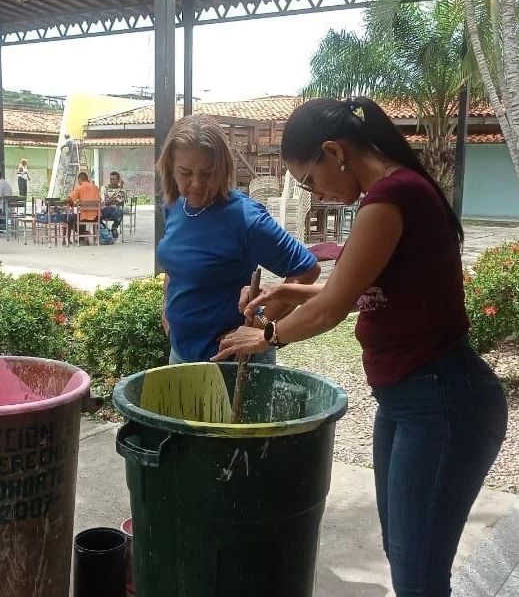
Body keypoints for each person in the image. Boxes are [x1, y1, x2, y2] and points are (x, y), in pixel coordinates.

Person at [213, 97, 508, 596]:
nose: (317, 194)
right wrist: (287, 291)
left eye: (310, 180)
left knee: (418, 576)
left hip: (441, 399)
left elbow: (331, 309)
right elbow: (359, 293)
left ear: (334, 151)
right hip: (409, 400)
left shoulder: (390, 199)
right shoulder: (393, 194)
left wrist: (265, 335)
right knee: (409, 562)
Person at [156, 114, 320, 364]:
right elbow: (175, 263)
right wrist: (167, 303)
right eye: (185, 172)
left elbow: (306, 269)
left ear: (222, 169)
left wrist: (258, 329)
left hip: (233, 362)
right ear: (170, 167)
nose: (196, 184)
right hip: (181, 352)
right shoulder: (174, 206)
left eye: (207, 173)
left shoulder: (245, 218)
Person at [66, 172, 101, 245]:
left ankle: (76, 239)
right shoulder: (95, 187)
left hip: (83, 217)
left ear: (80, 179)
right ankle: (84, 237)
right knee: (78, 216)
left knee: (70, 219)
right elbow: (100, 200)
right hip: (96, 217)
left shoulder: (79, 187)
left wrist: (72, 205)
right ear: (87, 179)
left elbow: (69, 199)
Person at [101, 171, 126, 240]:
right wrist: (114, 199)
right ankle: (105, 229)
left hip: (115, 211)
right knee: (94, 215)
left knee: (119, 211)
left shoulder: (121, 190)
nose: (111, 181)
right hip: (105, 209)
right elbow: (103, 199)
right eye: (110, 179)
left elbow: (121, 200)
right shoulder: (105, 188)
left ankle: (114, 228)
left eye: (113, 179)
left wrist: (120, 188)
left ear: (118, 180)